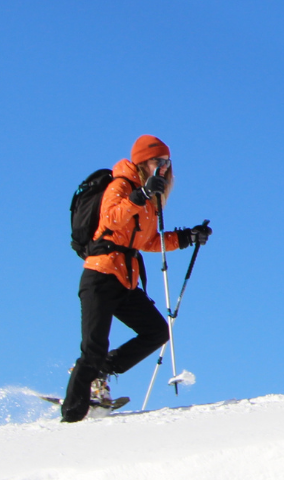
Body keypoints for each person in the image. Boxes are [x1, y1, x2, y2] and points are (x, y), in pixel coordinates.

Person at [63, 134, 211, 422]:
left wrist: (186, 237)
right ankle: (72, 416)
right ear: (143, 162)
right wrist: (140, 195)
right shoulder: (120, 185)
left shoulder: (151, 197)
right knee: (93, 348)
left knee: (156, 331)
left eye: (168, 161)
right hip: (100, 275)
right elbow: (111, 219)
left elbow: (147, 241)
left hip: (124, 280)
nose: (165, 167)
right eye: (159, 161)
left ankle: (101, 371)